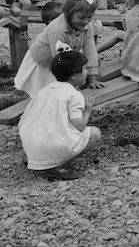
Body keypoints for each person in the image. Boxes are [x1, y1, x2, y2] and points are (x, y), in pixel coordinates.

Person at [18, 50, 102, 181]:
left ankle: (36, 160)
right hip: (50, 145)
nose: (86, 72)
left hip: (29, 142)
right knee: (95, 133)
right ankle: (53, 166)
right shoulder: (74, 95)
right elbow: (79, 126)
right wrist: (87, 109)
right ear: (74, 75)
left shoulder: (45, 89)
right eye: (84, 69)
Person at [14, 0, 105, 99]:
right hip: (45, 62)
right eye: (81, 18)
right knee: (44, 94)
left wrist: (93, 77)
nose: (85, 21)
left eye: (89, 17)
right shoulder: (57, 30)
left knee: (65, 90)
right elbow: (59, 61)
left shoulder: (88, 25)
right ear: (69, 14)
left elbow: (90, 51)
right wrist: (69, 85)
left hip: (64, 56)